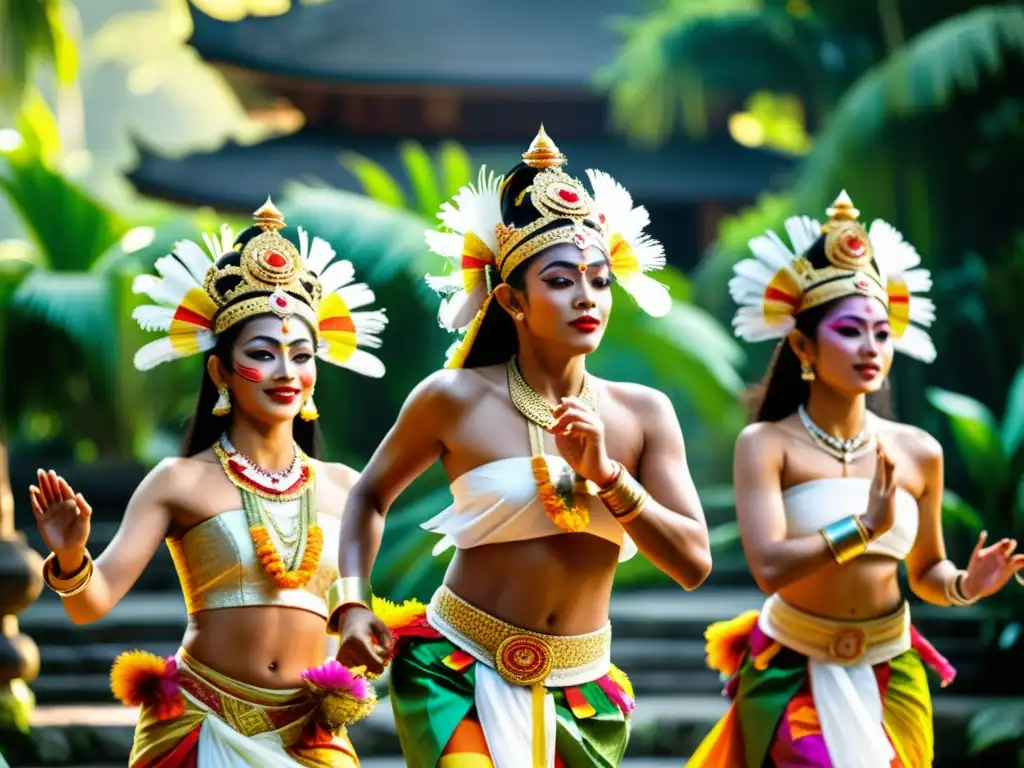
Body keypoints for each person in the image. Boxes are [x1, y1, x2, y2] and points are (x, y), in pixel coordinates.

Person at [323, 126, 713, 768]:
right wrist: (352, 604)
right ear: (511, 299)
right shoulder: (452, 398)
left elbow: (694, 563)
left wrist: (609, 477)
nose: (586, 296)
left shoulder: (644, 414)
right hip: (456, 669)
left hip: (582, 692)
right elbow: (368, 495)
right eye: (561, 280)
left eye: (599, 280)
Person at [30, 200, 388, 767]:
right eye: (262, 354)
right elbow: (90, 605)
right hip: (201, 726)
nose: (285, 373)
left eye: (301, 355)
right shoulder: (178, 481)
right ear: (220, 371)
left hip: (310, 737)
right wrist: (72, 555)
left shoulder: (347, 488)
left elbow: (356, 620)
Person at [687, 192, 1024, 768]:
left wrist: (969, 583)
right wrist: (864, 527)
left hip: (892, 670)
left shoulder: (919, 451)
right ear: (802, 345)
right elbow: (768, 567)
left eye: (880, 333)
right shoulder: (766, 445)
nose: (870, 347)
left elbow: (925, 573)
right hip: (792, 668)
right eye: (850, 331)